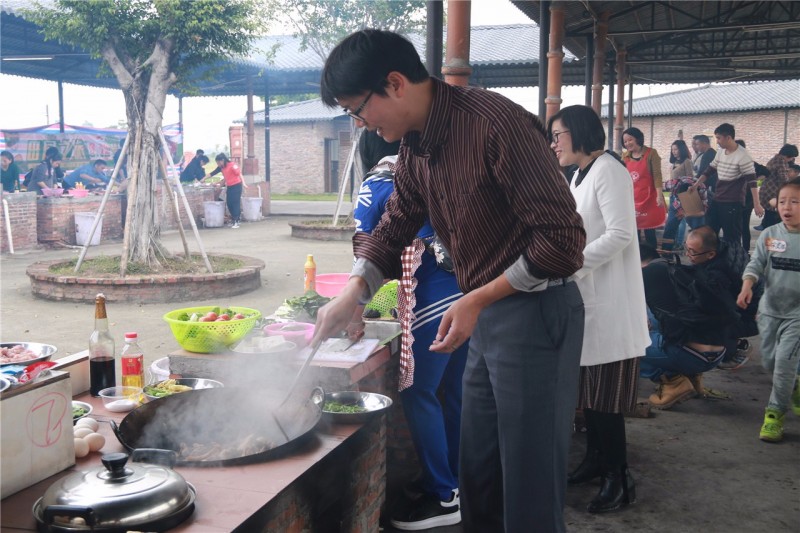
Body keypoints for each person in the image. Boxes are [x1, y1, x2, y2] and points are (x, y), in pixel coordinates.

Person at [315, 29, 586, 532]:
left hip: (534, 312)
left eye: (358, 109)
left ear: (394, 83)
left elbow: (563, 242)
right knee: (479, 467)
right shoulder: (417, 145)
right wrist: (354, 292)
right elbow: (394, 224)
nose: (359, 123)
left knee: (527, 478)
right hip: (485, 311)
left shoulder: (493, 124)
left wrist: (478, 297)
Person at [351, 130, 468, 530]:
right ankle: (454, 480)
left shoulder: (378, 182)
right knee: (455, 392)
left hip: (432, 296)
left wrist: (355, 307)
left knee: (418, 391)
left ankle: (443, 496)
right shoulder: (425, 172)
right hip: (468, 295)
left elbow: (365, 246)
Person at [548, 106, 649, 514]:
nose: (553, 143)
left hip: (609, 302)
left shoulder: (609, 170)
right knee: (590, 395)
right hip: (589, 299)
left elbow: (622, 233)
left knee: (606, 400)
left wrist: (572, 264)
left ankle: (618, 478)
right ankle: (594, 462)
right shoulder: (581, 174)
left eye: (558, 135)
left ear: (580, 133)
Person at [737, 178, 800, 442]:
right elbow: (756, 264)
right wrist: (746, 286)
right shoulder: (770, 234)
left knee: (784, 363)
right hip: (770, 311)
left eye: (795, 202)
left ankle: (774, 415)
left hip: (797, 316)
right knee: (772, 362)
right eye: (783, 201)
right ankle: (794, 387)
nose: (787, 207)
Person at [640, 244, 733, 409]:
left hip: (691, 355)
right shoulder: (678, 270)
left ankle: (673, 382)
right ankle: (693, 378)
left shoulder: (644, 275)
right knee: (655, 317)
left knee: (623, 343)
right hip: (718, 353)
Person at [694, 123, 762, 245]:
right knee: (710, 232)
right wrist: (696, 184)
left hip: (733, 203)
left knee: (731, 238)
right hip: (717, 198)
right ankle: (712, 260)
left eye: (719, 138)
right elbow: (709, 170)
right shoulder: (720, 152)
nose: (717, 141)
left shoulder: (743, 155)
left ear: (728, 138)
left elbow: (752, 182)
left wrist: (757, 204)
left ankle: (733, 261)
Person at [621, 127, 665, 250]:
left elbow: (657, 175)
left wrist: (659, 195)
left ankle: (652, 258)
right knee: (634, 232)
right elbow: (622, 177)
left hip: (649, 199)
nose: (627, 143)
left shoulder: (651, 153)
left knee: (649, 231)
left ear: (638, 139)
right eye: (625, 141)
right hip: (632, 199)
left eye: (630, 140)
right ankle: (637, 259)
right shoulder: (625, 157)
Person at [662, 140, 704, 251]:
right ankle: (667, 249)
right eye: (672, 149)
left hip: (684, 197)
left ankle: (674, 246)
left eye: (676, 149)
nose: (674, 152)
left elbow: (690, 180)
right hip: (673, 196)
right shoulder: (674, 162)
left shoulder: (687, 162)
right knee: (671, 225)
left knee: (678, 224)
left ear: (682, 149)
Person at [757, 144, 798, 231]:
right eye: (792, 157)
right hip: (772, 192)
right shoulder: (781, 161)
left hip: (766, 191)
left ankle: (767, 232)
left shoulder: (775, 158)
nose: (791, 160)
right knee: (774, 217)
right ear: (789, 155)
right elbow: (783, 178)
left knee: (770, 215)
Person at [209, 153, 246, 228]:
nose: (218, 164)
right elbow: (225, 178)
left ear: (223, 160)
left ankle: (236, 221)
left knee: (235, 203)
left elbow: (239, 174)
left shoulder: (232, 165)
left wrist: (244, 183)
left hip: (236, 185)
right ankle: (235, 219)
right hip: (229, 186)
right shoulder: (223, 168)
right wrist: (220, 186)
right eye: (217, 163)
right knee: (229, 203)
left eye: (219, 162)